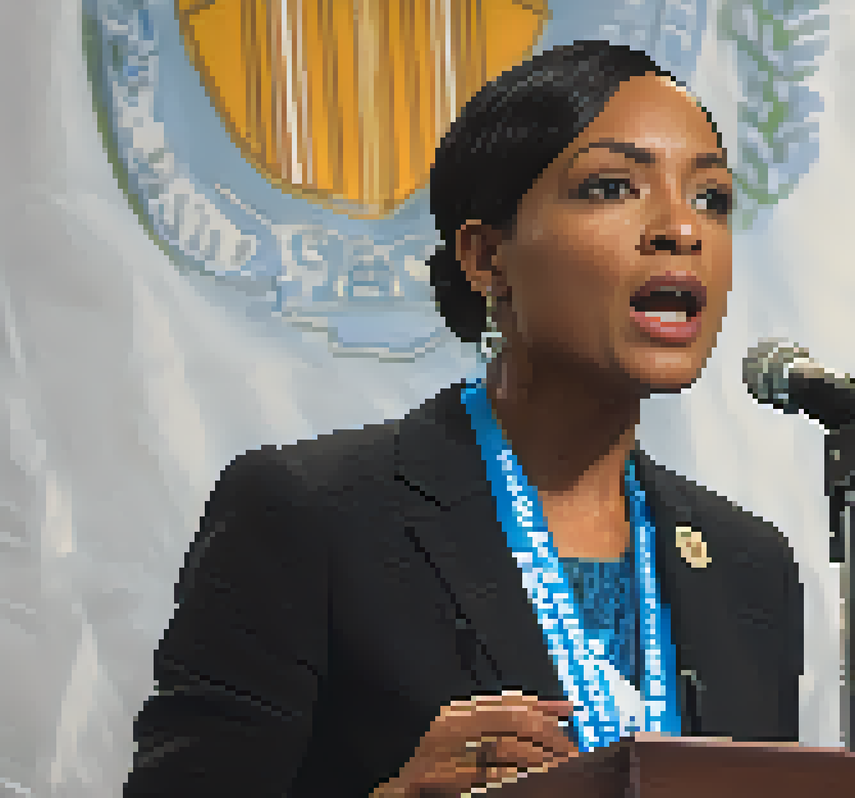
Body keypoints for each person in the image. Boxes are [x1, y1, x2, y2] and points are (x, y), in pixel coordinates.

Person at [124, 41, 803, 798]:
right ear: (486, 258)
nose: (683, 229)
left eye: (712, 197)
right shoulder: (310, 516)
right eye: (613, 186)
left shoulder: (750, 568)